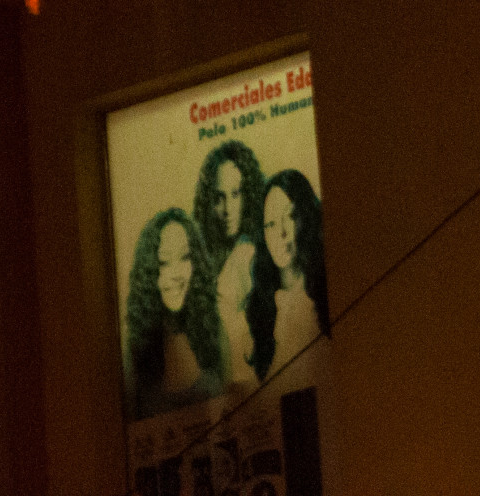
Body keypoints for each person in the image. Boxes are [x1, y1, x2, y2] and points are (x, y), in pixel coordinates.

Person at [126, 208, 227, 418]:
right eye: (164, 262)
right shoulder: (134, 345)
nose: (176, 274)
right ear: (149, 270)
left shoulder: (213, 328)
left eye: (185, 257)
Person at [245, 170, 329, 381]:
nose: (281, 232)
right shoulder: (260, 308)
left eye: (290, 216)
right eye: (270, 224)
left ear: (306, 218)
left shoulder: (325, 293)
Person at [193, 141, 264, 383]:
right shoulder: (209, 258)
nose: (228, 209)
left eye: (236, 194)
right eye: (219, 198)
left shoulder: (249, 254)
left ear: (249, 194)